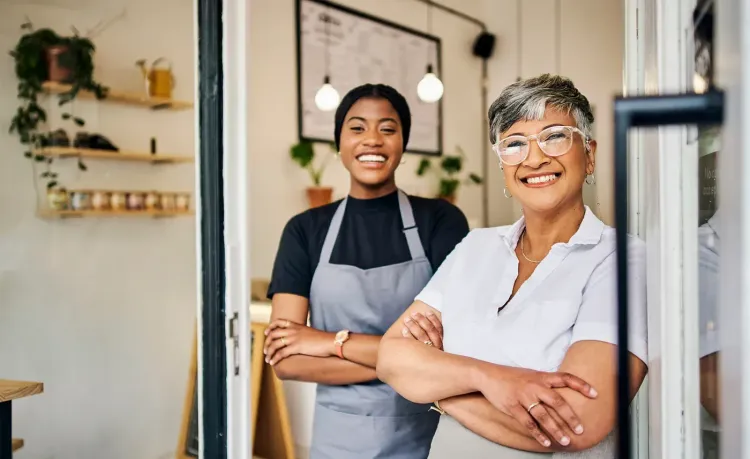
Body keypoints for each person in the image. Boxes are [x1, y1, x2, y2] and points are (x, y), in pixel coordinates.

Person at [376, 74, 649, 458]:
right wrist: (491, 379)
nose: (534, 158)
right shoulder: (476, 246)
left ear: (589, 155)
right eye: (515, 144)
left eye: (555, 136)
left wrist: (440, 387)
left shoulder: (622, 259)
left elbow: (578, 422)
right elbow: (390, 357)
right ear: (503, 167)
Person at [263, 83, 470, 459]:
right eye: (357, 128)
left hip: (427, 435)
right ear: (339, 142)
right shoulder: (304, 230)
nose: (372, 140)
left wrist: (327, 342)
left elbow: (453, 347)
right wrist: (409, 361)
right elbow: (286, 360)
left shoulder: (441, 221)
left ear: (403, 143)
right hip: (337, 442)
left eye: (387, 129)